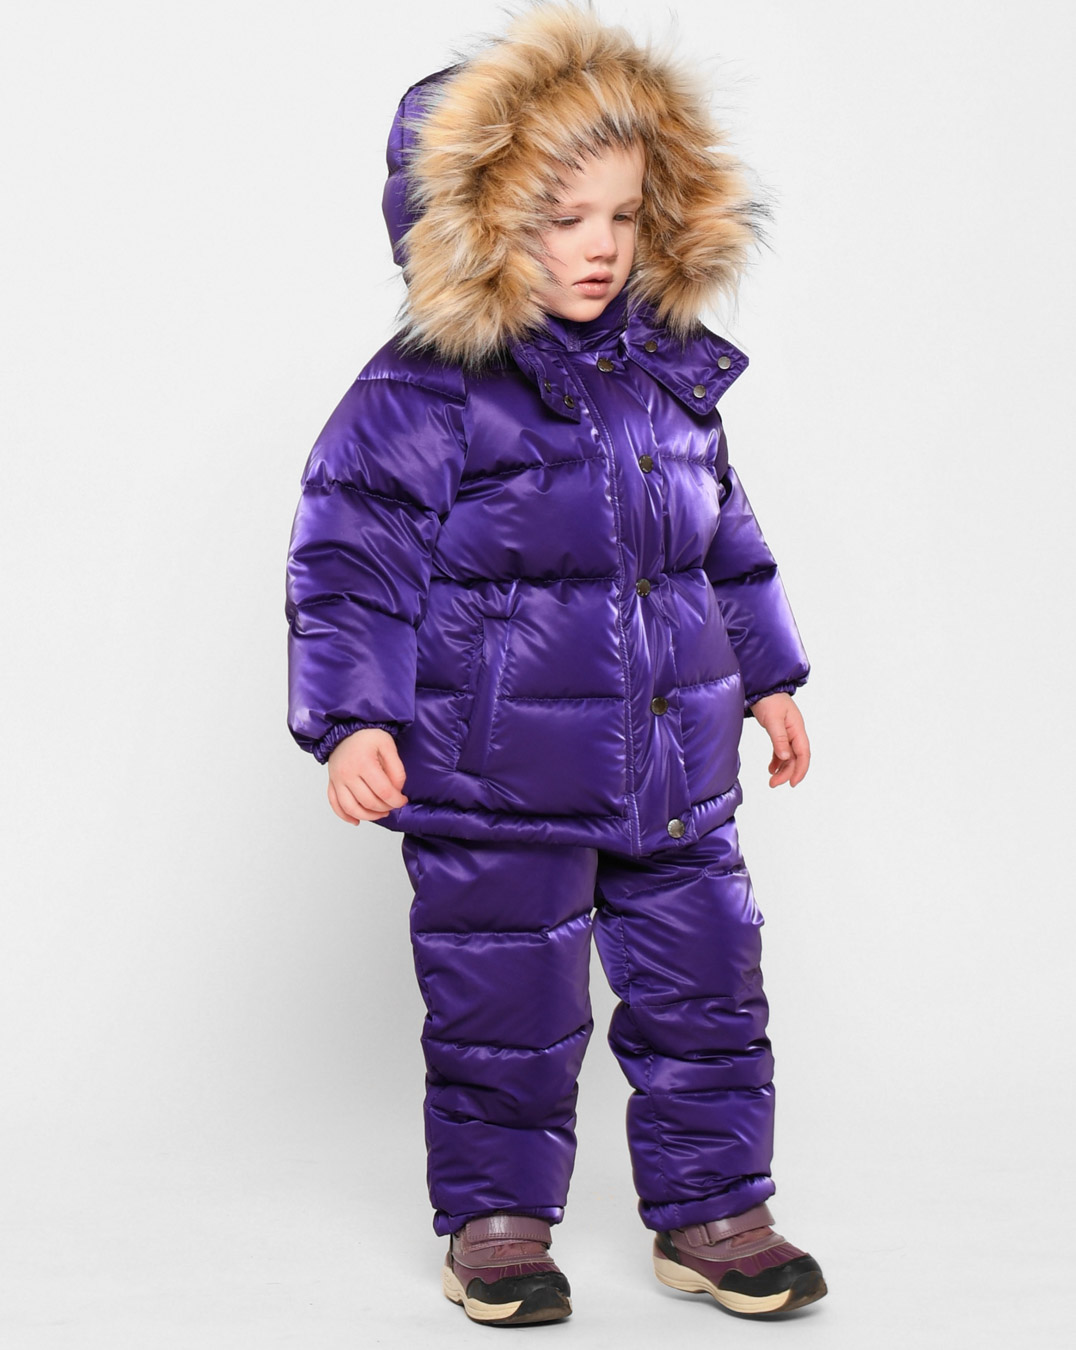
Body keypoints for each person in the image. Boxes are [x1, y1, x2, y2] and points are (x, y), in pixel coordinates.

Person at [285, 0, 826, 1327]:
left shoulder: (667, 377)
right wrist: (354, 718)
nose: (598, 247)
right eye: (558, 218)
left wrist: (768, 677)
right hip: (496, 779)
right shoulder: (424, 391)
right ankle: (499, 1222)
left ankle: (715, 1211)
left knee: (709, 990)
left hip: (676, 772)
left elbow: (722, 538)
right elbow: (351, 562)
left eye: (623, 217)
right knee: (504, 1010)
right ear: (474, 223)